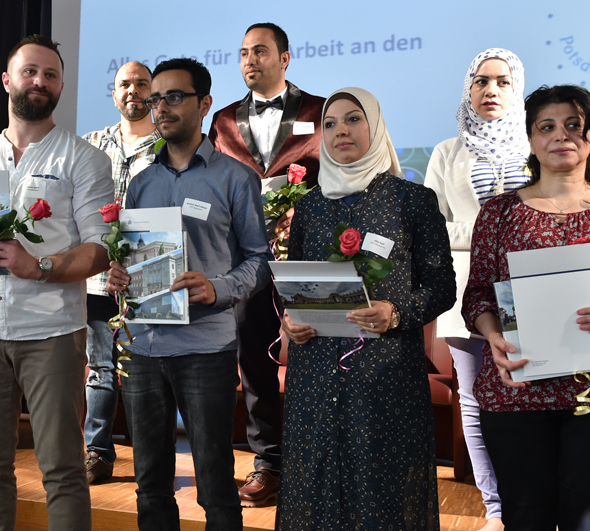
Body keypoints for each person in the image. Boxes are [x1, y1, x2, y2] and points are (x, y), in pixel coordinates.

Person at [462, 84, 590, 531]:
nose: (561, 135)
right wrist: (493, 336)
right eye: (547, 126)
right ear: (531, 139)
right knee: (525, 519)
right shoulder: (498, 213)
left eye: (574, 125)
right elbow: (478, 296)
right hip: (517, 392)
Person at [0, 35, 113, 531]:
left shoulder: (83, 159)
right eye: (30, 71)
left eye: (50, 75)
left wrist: (39, 265)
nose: (39, 81)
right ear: (7, 80)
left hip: (52, 332)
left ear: (62, 86)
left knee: (63, 469)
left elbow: (101, 248)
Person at [105, 57, 270, 530]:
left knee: (215, 484)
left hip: (206, 348)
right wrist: (120, 277)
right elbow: (132, 255)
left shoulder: (235, 178)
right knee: (150, 485)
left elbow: (260, 261)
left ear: (205, 104)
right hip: (143, 347)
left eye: (174, 97)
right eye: (156, 98)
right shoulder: (141, 183)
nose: (161, 107)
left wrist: (217, 288)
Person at [278, 88, 454, 530]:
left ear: (375, 127)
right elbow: (293, 288)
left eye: (353, 119)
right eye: (330, 123)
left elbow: (442, 288)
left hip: (385, 374)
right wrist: (290, 321)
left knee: (383, 490)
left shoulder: (412, 200)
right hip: (315, 373)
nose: (341, 131)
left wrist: (396, 311)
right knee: (316, 486)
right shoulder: (309, 206)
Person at [206, 21, 325, 507]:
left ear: (284, 58)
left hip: (309, 257)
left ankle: (317, 461)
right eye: (243, 53)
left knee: (315, 356)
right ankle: (268, 463)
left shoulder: (320, 111)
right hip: (245, 260)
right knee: (253, 360)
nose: (250, 60)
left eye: (259, 51)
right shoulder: (222, 120)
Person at [423, 48, 531, 531]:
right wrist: (488, 230)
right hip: (466, 290)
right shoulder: (447, 152)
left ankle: (530, 504)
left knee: (527, 397)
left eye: (502, 81)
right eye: (481, 81)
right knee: (473, 400)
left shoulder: (535, 147)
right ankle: (496, 509)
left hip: (529, 288)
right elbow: (431, 228)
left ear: (516, 88)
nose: (491, 90)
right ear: (468, 88)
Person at [80, 60, 161, 484]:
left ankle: (151, 458)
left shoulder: (168, 144)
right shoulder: (91, 144)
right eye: (124, 84)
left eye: (141, 84)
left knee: (147, 372)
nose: (133, 90)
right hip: (97, 280)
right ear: (113, 94)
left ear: (153, 93)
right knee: (101, 369)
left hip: (150, 278)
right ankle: (97, 453)